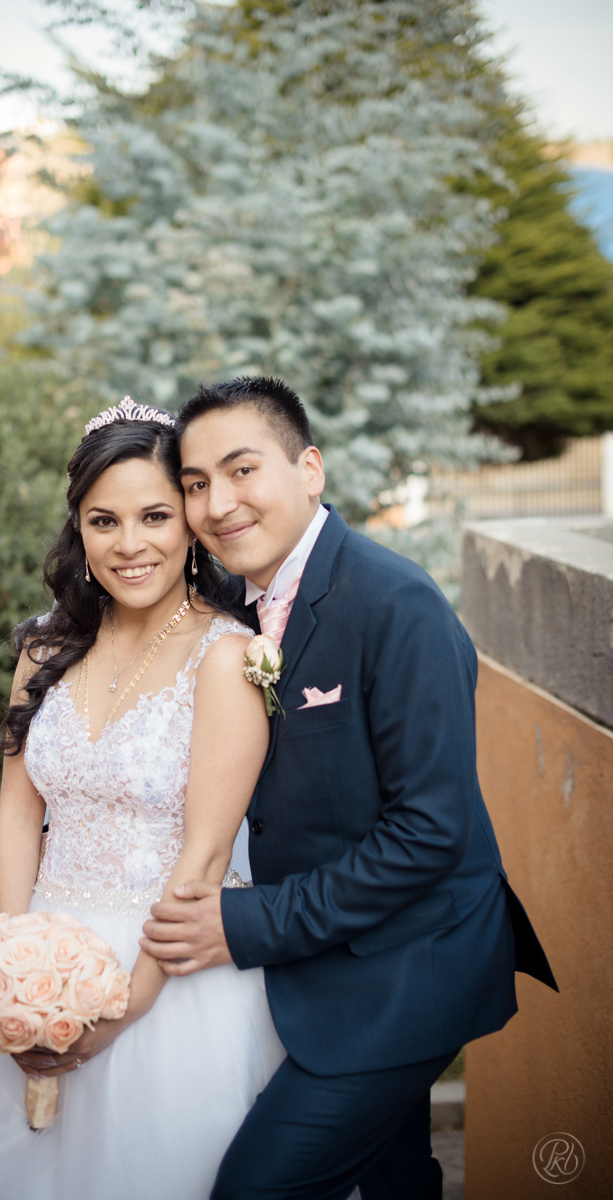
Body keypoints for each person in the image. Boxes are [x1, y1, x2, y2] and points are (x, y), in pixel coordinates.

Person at [0, 400, 286, 1200]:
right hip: (42, 950)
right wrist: (11, 960)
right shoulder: (45, 647)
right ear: (77, 530)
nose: (130, 544)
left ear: (187, 521)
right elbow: (18, 813)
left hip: (169, 976)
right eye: (102, 520)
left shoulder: (228, 657)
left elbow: (206, 854)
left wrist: (124, 1008)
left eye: (153, 515)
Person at [140, 376, 559, 1200]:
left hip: (407, 972)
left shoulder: (395, 603)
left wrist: (247, 923)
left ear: (310, 470)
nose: (218, 503)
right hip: (326, 964)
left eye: (241, 470)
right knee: (394, 1177)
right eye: (195, 484)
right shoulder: (233, 604)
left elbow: (430, 832)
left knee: (257, 1189)